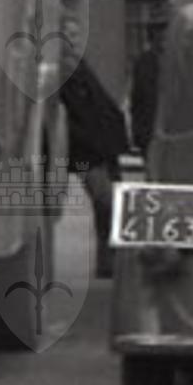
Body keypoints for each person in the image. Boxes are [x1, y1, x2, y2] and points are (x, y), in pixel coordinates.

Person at [56, 17, 130, 279]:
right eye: (69, 34)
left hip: (102, 147)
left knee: (108, 207)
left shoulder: (76, 65)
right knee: (108, 202)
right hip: (89, 150)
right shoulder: (64, 70)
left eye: (77, 34)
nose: (75, 40)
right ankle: (110, 261)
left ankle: (109, 262)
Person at [127, 1, 172, 158]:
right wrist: (139, 135)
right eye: (159, 30)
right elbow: (137, 101)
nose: (163, 34)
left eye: (167, 29)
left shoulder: (183, 60)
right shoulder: (144, 62)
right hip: (151, 135)